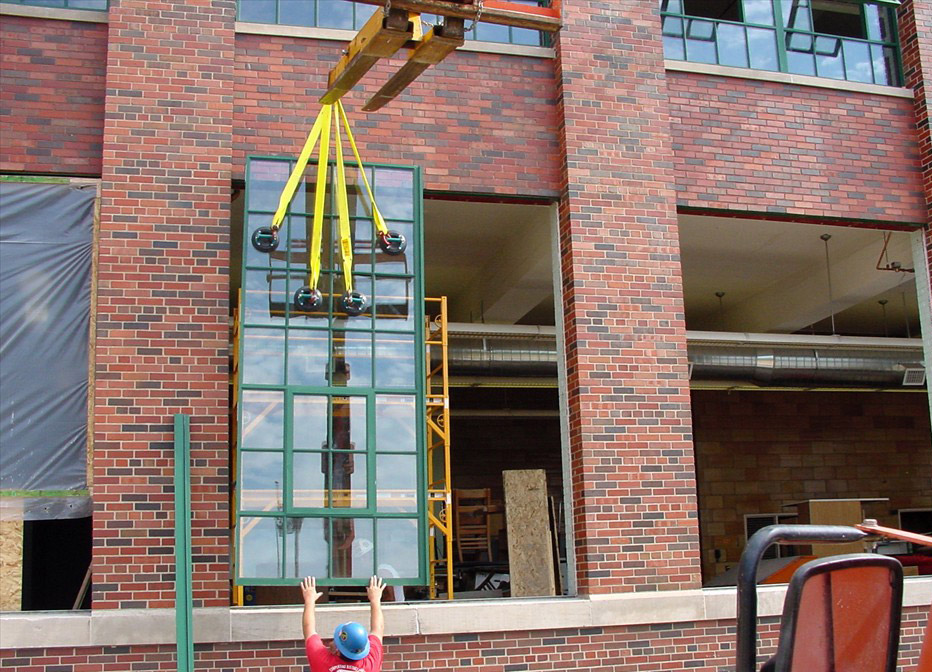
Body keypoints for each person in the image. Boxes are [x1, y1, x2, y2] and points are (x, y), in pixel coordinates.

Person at [301, 575, 386, 672]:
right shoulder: (371, 664)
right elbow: (378, 628)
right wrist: (375, 599)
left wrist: (309, 600)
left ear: (337, 651)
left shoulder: (321, 660)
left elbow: (308, 628)